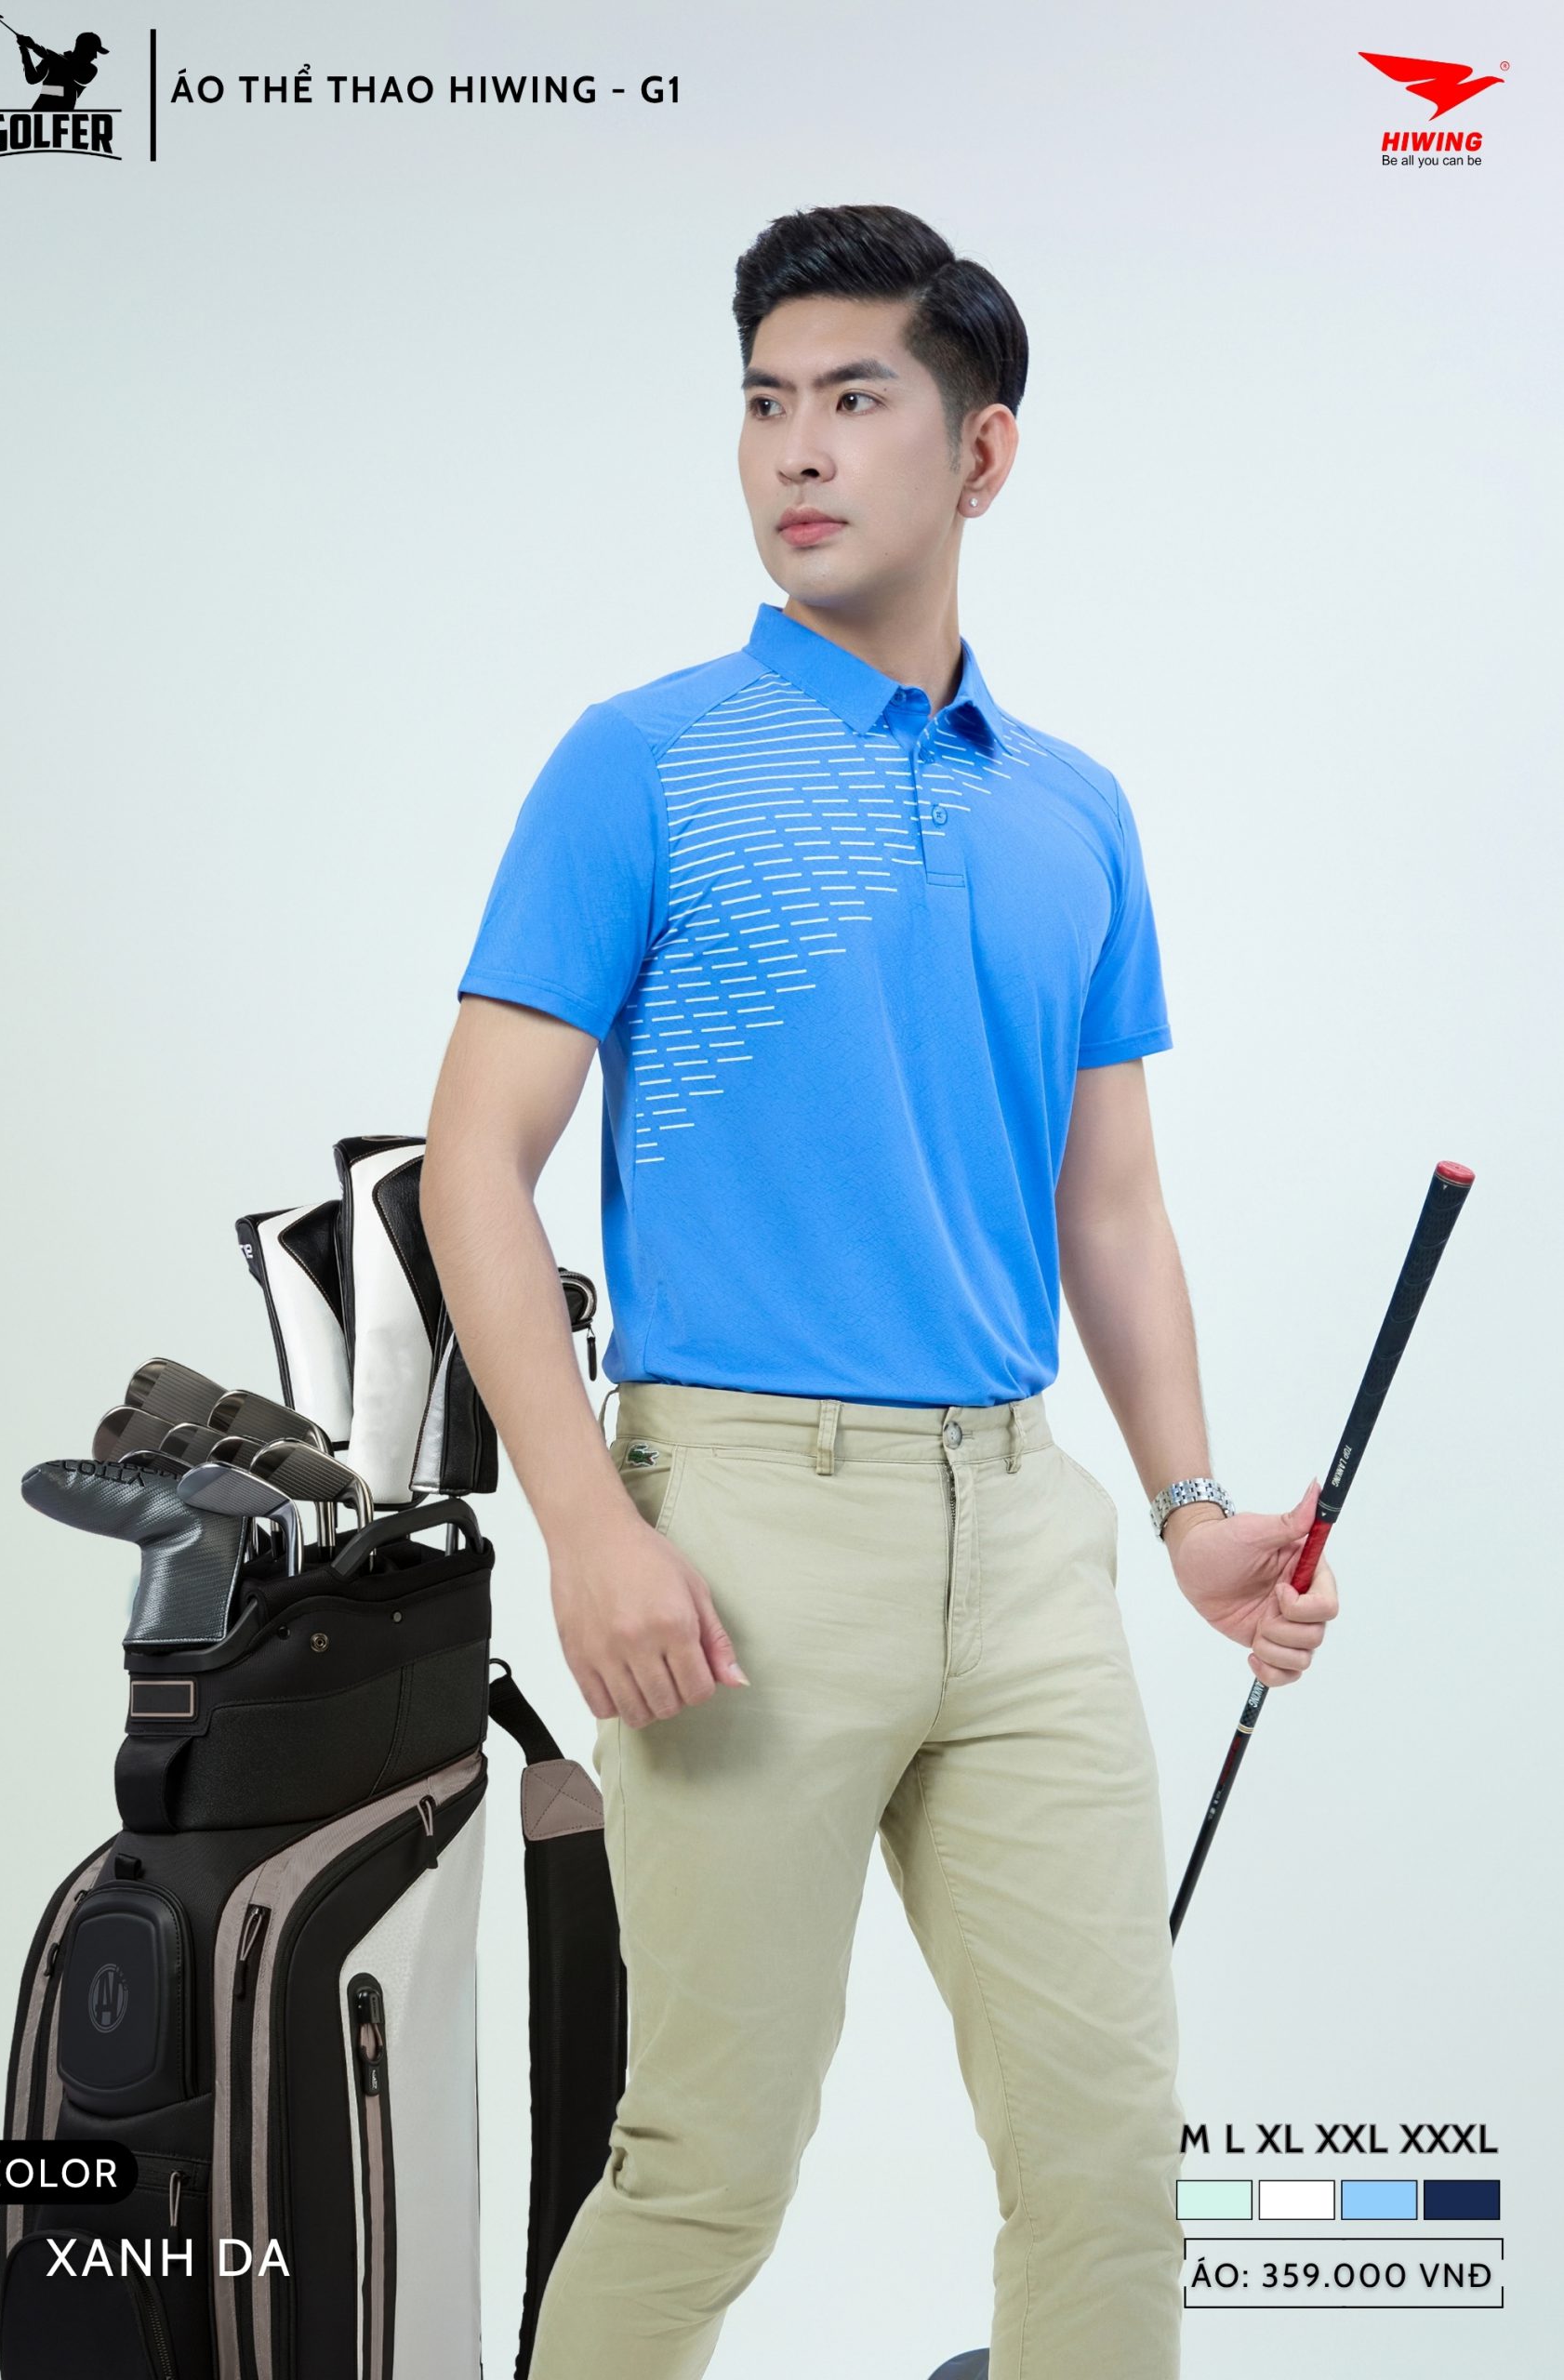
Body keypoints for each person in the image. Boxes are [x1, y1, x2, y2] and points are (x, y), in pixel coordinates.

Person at [420, 202, 1340, 2380]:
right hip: (741, 1535)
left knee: (1108, 2156)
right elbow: (473, 1165)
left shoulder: (1077, 814)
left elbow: (1111, 1203)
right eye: (765, 403)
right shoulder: (644, 760)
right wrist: (589, 1524)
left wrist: (1192, 1508)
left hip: (1021, 1539)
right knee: (707, 2163)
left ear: (981, 453)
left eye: (855, 398)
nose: (797, 450)